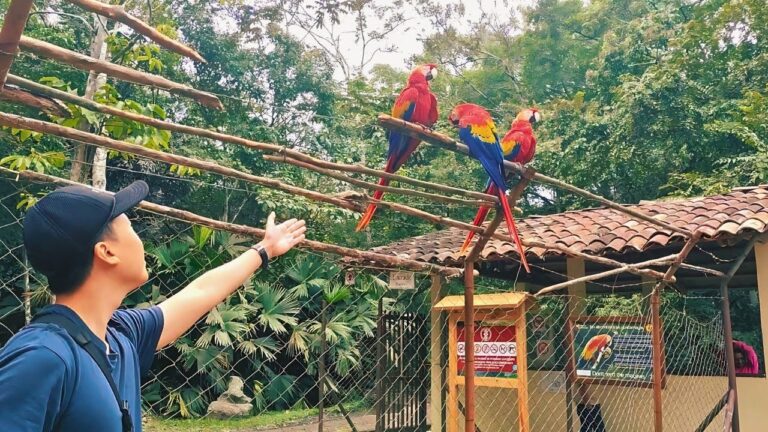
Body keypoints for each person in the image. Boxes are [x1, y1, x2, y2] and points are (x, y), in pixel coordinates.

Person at [0, 181, 306, 431]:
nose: (140, 239)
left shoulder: (120, 334)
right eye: (131, 227)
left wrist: (265, 249)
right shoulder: (43, 356)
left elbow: (199, 292)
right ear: (106, 252)